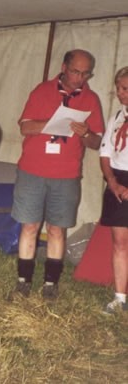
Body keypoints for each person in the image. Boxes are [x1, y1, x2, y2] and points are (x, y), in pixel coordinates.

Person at [10, 49, 104, 300]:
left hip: (66, 175)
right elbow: (25, 127)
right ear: (64, 67)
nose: (79, 78)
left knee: (57, 229)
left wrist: (85, 133)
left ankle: (50, 284)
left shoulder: (91, 99)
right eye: (75, 72)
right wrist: (53, 122)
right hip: (32, 171)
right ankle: (23, 281)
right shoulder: (41, 91)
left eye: (85, 74)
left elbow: (96, 142)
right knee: (30, 226)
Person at [99, 66, 128, 314]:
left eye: (125, 88)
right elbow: (105, 154)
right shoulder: (116, 118)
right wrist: (112, 182)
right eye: (118, 88)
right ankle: (120, 298)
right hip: (117, 181)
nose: (120, 93)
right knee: (120, 242)